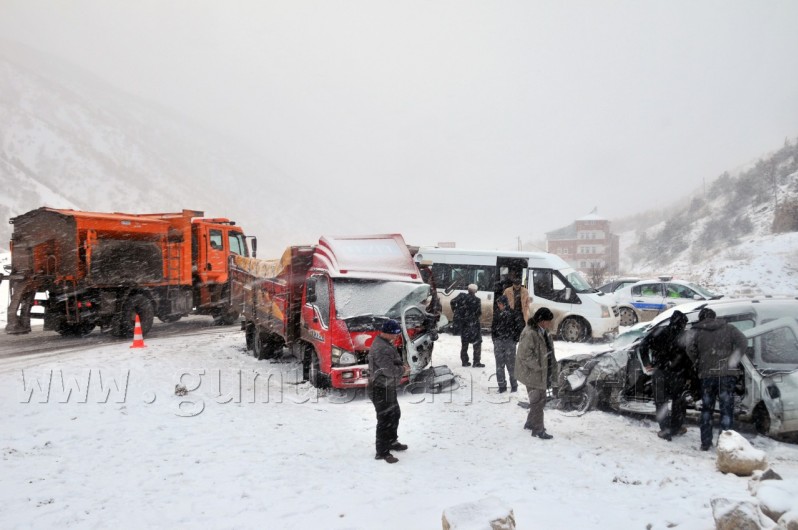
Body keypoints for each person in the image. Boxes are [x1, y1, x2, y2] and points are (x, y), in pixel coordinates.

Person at [689, 307, 748, 451]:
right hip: (727, 375)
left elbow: (690, 349)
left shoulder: (697, 332)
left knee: (707, 410)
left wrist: (698, 361)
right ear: (714, 317)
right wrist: (733, 359)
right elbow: (743, 342)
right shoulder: (729, 328)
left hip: (707, 375)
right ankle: (725, 445)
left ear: (701, 318)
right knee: (726, 410)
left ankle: (705, 443)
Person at [638, 310, 692, 441]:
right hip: (678, 373)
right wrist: (689, 373)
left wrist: (647, 363)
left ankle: (665, 430)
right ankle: (676, 427)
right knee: (678, 402)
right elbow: (690, 356)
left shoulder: (659, 332)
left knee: (661, 402)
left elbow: (643, 346)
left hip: (660, 371)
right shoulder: (684, 335)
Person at [367, 319, 410, 464]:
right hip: (380, 388)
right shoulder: (381, 348)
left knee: (395, 414)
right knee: (384, 420)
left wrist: (399, 363)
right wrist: (403, 369)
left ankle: (392, 441)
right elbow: (389, 370)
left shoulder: (385, 344)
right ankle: (382, 451)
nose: (397, 336)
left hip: (387, 387)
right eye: (396, 334)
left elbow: (390, 362)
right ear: (387, 333)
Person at [516, 307, 555, 439]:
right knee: (538, 402)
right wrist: (538, 366)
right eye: (548, 321)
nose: (550, 323)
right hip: (532, 373)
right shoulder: (530, 333)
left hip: (541, 372)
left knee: (539, 401)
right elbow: (524, 354)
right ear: (542, 321)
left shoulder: (543, 330)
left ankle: (530, 422)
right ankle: (538, 430)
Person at [490, 295, 524, 393]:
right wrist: (495, 339)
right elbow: (493, 328)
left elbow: (519, 328)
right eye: (498, 304)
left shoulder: (512, 314)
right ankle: (503, 386)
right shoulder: (508, 313)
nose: (498, 305)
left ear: (504, 304)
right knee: (502, 366)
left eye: (499, 303)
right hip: (502, 342)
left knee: (509, 366)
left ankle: (512, 386)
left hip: (508, 342)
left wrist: (514, 340)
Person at [451, 284, 483, 367]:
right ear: (475, 291)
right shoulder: (477, 300)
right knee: (477, 342)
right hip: (474, 324)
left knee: (464, 343)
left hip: (464, 324)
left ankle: (464, 361)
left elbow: (452, 302)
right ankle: (476, 361)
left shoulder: (461, 296)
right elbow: (479, 313)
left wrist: (456, 311)